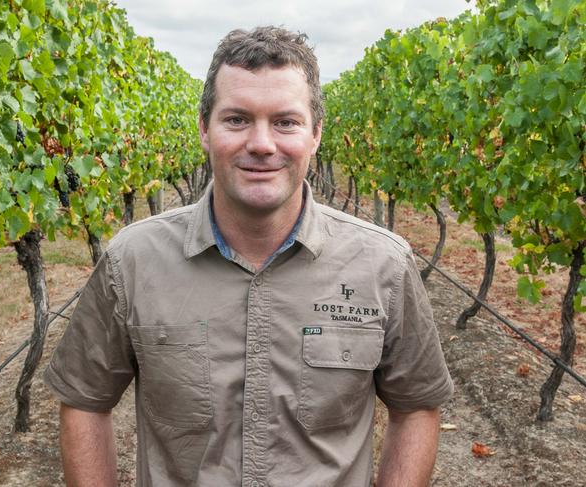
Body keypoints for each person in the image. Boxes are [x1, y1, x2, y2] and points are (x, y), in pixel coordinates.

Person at [44, 26, 454, 487]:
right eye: (237, 119)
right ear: (204, 130)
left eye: (286, 122)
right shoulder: (132, 261)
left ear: (316, 135)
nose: (261, 144)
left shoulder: (384, 264)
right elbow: (85, 400)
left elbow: (416, 404)